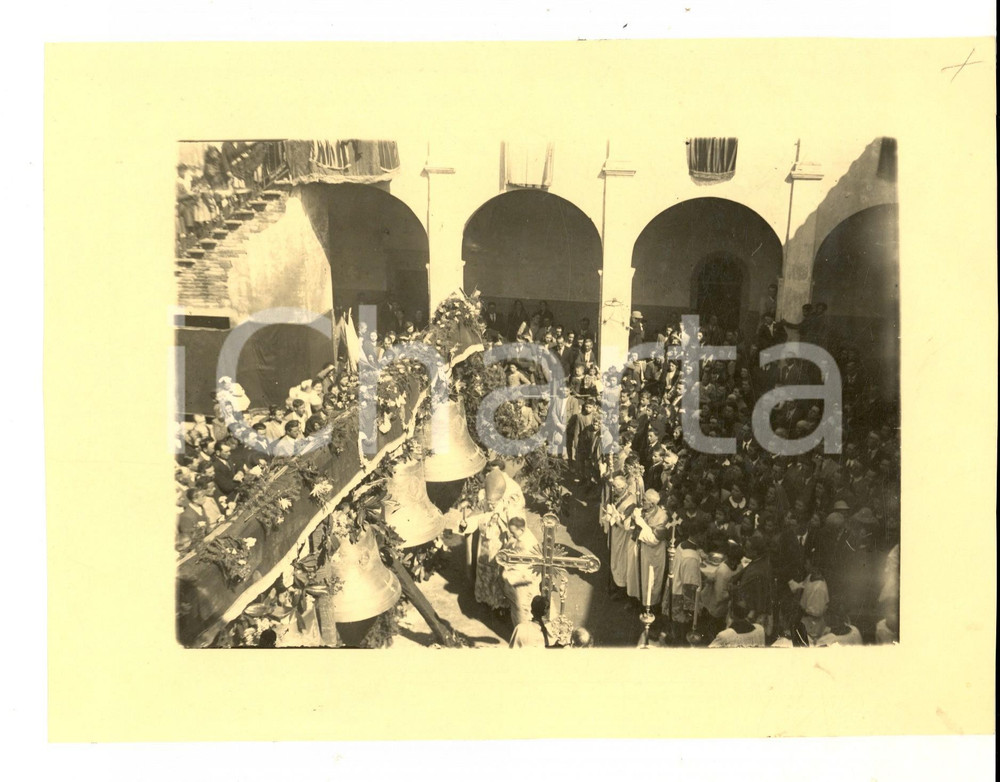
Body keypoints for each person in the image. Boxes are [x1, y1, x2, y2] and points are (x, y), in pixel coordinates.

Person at [625, 489, 669, 607]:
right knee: (634, 574)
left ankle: (649, 606)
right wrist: (633, 518)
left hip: (651, 553)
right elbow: (630, 527)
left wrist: (640, 521)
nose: (641, 501)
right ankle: (634, 599)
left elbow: (654, 540)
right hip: (638, 548)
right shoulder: (642, 510)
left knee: (649, 579)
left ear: (653, 504)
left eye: (644, 500)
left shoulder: (662, 517)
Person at [667, 518, 705, 644]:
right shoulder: (691, 558)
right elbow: (689, 586)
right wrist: (690, 612)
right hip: (683, 598)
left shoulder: (682, 545)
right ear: (699, 534)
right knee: (683, 633)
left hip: (675, 588)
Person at [500, 517, 542, 627]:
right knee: (516, 610)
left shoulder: (528, 545)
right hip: (516, 582)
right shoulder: (519, 537)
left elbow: (529, 571)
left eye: (513, 533)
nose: (512, 535)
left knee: (522, 613)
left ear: (521, 530)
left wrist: (508, 576)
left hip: (524, 585)